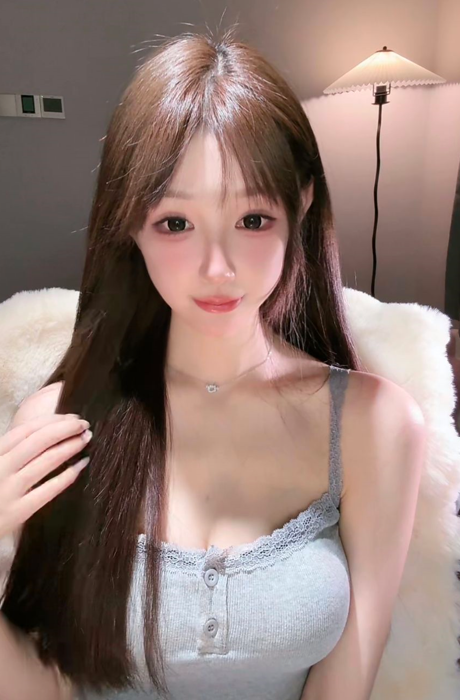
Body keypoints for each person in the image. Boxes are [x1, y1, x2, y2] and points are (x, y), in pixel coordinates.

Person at [0, 26, 426, 700]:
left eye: (253, 219)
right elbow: (45, 688)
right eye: (176, 223)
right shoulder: (60, 425)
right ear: (131, 225)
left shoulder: (375, 423)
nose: (218, 268)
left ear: (300, 204)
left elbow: (348, 677)